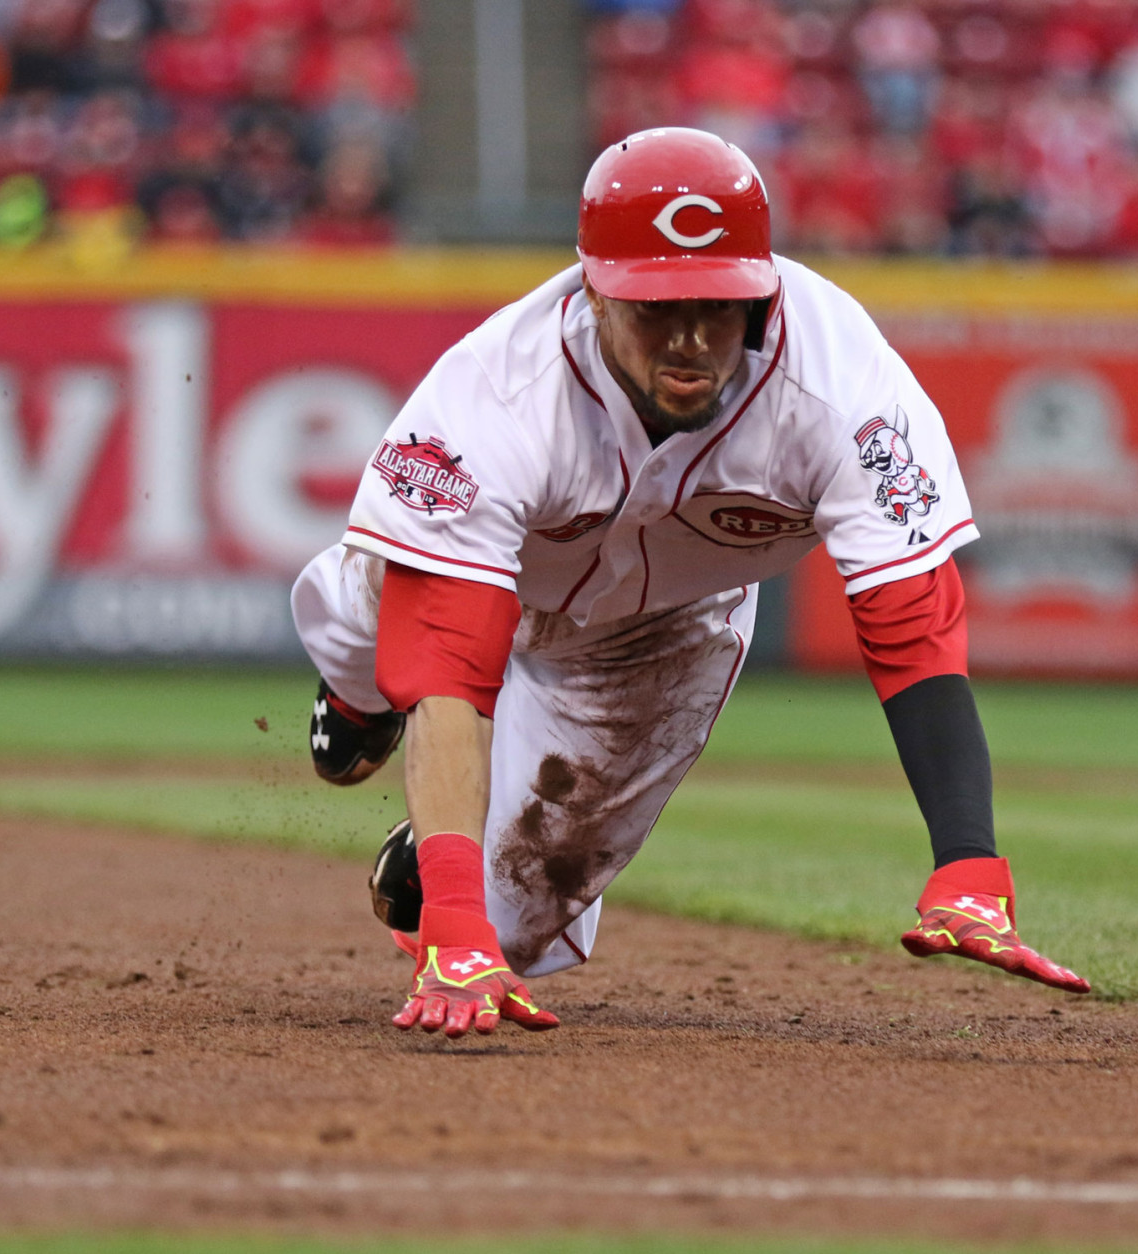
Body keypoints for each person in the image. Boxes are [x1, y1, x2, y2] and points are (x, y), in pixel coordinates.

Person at [290, 126, 1089, 1040]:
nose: (690, 338)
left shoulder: (845, 389)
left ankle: (439, 845)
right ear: (594, 293)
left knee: (506, 919)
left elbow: (913, 629)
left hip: (659, 627)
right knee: (373, 618)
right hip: (475, 588)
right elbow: (448, 665)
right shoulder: (494, 396)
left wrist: (968, 862)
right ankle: (358, 702)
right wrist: (453, 924)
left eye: (718, 305)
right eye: (655, 307)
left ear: (762, 289)